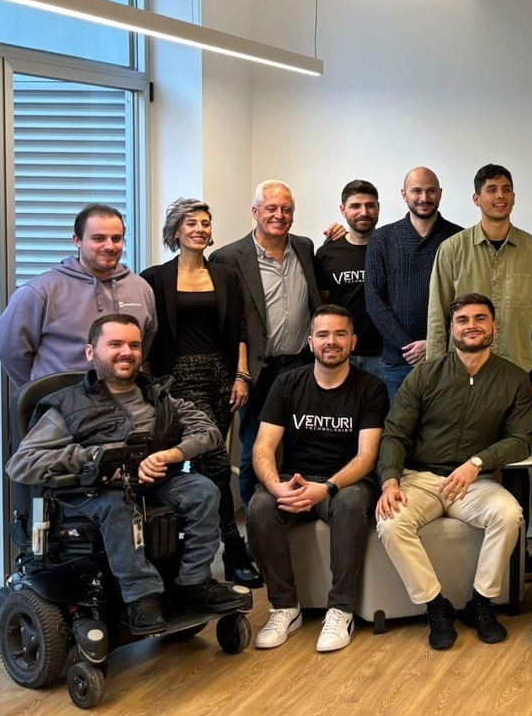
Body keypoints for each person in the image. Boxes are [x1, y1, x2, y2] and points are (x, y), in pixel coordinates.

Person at [6, 314, 246, 633]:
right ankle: (140, 598)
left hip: (156, 481)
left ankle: (194, 582)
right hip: (96, 491)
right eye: (115, 344)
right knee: (119, 506)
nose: (126, 352)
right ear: (91, 352)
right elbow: (22, 462)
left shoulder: (159, 396)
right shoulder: (68, 406)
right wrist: (97, 457)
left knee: (203, 490)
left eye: (134, 345)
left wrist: (170, 455)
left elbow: (207, 430)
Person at [376, 294, 531, 649]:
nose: (471, 326)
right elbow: (395, 433)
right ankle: (436, 605)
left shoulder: (514, 378)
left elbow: (522, 440)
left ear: (494, 326)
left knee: (509, 514)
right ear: (451, 328)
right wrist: (389, 482)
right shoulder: (425, 375)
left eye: (480, 319)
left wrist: (478, 463)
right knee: (390, 522)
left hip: (474, 482)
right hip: (420, 479)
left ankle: (481, 604)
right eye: (463, 320)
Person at [248, 306, 386, 653]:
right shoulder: (287, 383)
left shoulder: (371, 388)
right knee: (261, 504)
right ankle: (284, 607)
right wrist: (277, 486)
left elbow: (367, 457)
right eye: (323, 335)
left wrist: (325, 488)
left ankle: (341, 610)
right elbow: (263, 447)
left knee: (352, 501)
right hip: (295, 479)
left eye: (340, 334)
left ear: (353, 342)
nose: (331, 342)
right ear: (310, 342)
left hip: (344, 483)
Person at [140, 198, 255, 584]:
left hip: (221, 377)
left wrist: (242, 376)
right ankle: (226, 547)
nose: (200, 229)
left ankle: (204, 553)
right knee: (213, 465)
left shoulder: (224, 275)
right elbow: (146, 335)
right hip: (176, 380)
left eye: (206, 223)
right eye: (192, 223)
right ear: (176, 231)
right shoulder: (154, 277)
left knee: (212, 462)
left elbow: (239, 328)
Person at [212, 180, 324, 505]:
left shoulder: (305, 247)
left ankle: (292, 517)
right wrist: (239, 372)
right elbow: (227, 326)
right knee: (255, 450)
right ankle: (256, 525)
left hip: (302, 366)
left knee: (301, 446)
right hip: (258, 372)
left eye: (286, 209)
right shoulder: (229, 257)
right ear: (255, 211)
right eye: (271, 208)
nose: (279, 215)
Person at [426, 165, 532, 417]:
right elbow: (437, 317)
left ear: (514, 198)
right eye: (491, 190)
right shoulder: (451, 250)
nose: (500, 196)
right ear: (477, 199)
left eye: (506, 190)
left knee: (515, 450)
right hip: (462, 372)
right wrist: (434, 374)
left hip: (517, 372)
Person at [0, 202, 157, 387]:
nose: (109, 246)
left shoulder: (141, 288)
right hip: (60, 406)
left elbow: (145, 345)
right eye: (98, 238)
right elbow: (11, 351)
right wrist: (40, 390)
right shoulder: (41, 290)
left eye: (116, 238)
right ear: (77, 240)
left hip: (123, 404)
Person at [364, 167, 463, 402]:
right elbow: (374, 301)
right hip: (399, 362)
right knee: (398, 434)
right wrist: (408, 346)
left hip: (446, 360)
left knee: (442, 434)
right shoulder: (382, 239)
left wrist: (435, 344)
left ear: (440, 193)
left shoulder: (458, 239)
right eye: (416, 191)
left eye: (431, 191)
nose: (424, 198)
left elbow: (466, 301)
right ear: (403, 194)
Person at [314, 180, 384, 376]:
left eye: (370, 205)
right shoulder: (327, 253)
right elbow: (323, 303)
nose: (364, 212)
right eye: (355, 206)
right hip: (341, 353)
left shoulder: (390, 247)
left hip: (383, 355)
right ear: (343, 210)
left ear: (378, 208)